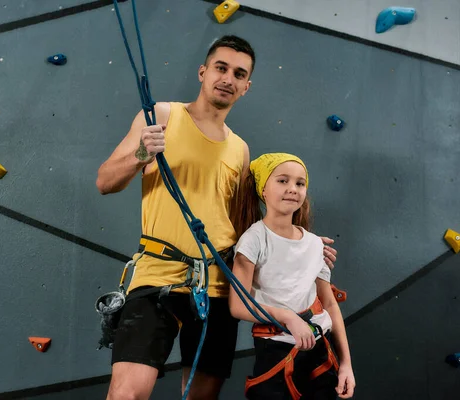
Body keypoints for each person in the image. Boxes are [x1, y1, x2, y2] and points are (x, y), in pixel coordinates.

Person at [96, 36, 338, 400]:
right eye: (221, 68)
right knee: (126, 394)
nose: (228, 78)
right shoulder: (162, 116)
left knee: (202, 398)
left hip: (217, 285)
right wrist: (142, 154)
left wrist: (301, 247)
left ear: (246, 87)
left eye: (239, 74)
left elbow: (248, 227)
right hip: (157, 276)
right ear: (203, 71)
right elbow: (104, 182)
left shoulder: (240, 149)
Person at [229, 153, 355, 400]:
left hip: (321, 352)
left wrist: (346, 364)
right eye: (282, 181)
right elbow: (237, 305)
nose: (292, 189)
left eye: (300, 183)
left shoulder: (314, 244)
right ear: (263, 190)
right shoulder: (253, 240)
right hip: (276, 350)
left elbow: (329, 304)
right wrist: (287, 316)